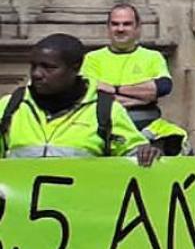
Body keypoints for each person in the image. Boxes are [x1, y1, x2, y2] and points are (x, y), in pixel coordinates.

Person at [0, 34, 158, 163]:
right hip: (21, 203)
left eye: (49, 67)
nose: (37, 74)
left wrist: (146, 154)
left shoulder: (106, 110)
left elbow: (133, 157)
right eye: (33, 66)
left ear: (75, 67)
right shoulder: (10, 106)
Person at [82, 4, 173, 134]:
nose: (120, 29)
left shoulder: (153, 57)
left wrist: (114, 89)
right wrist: (141, 97)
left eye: (127, 24)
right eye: (115, 24)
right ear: (108, 28)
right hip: (102, 125)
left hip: (145, 124)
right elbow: (88, 92)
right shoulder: (92, 58)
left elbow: (163, 87)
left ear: (137, 28)